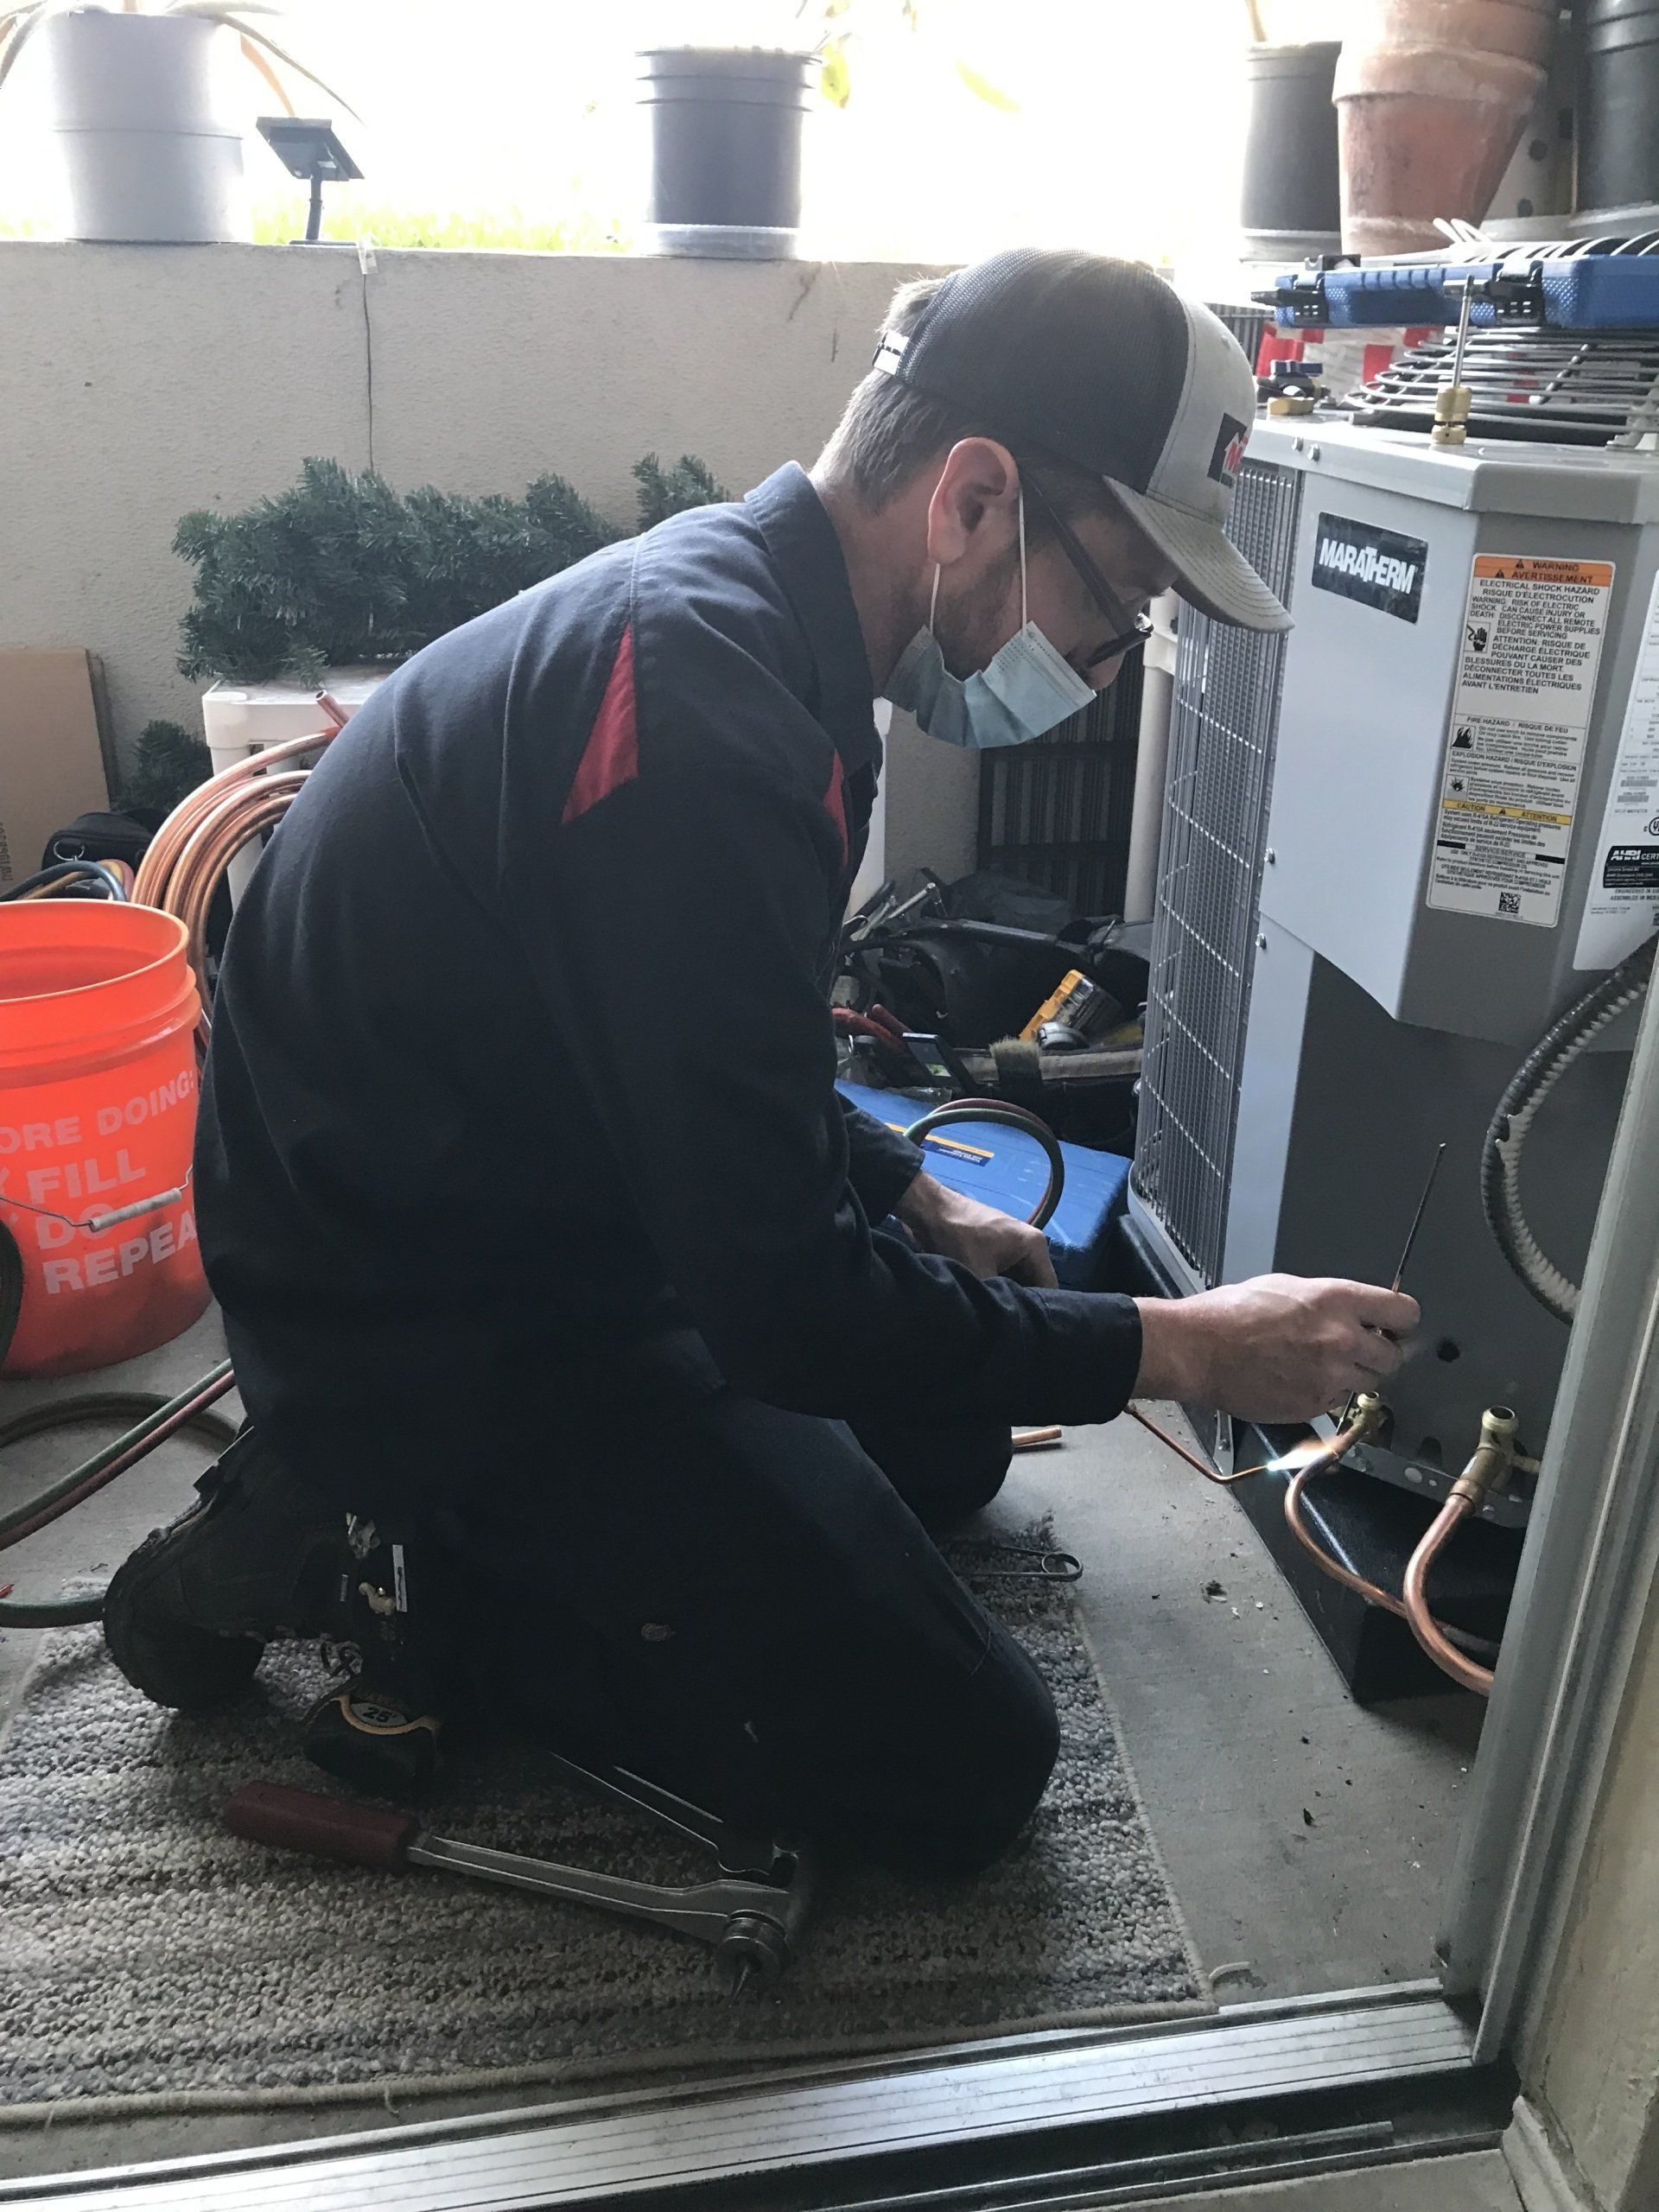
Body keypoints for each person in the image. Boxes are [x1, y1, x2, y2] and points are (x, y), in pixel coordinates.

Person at [105, 251, 1417, 1876]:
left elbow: (709, 1046)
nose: (1102, 666)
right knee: (954, 1765)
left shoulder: (760, 624)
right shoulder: (701, 726)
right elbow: (784, 1305)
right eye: (1116, 603)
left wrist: (912, 1194)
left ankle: (460, 1517)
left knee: (944, 1441)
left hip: (525, 1184)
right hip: (415, 1311)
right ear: (975, 500)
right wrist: (1187, 1350)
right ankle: (363, 1540)